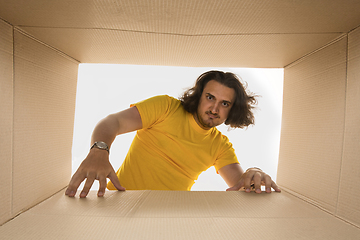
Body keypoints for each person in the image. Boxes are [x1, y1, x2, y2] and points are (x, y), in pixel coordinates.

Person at [65, 70, 281, 198]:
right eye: (210, 97)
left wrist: (255, 171)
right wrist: (99, 151)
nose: (214, 108)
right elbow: (113, 121)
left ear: (232, 109)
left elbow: (240, 184)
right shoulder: (166, 107)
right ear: (198, 96)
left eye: (224, 103)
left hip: (169, 218)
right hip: (119, 203)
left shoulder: (220, 146)